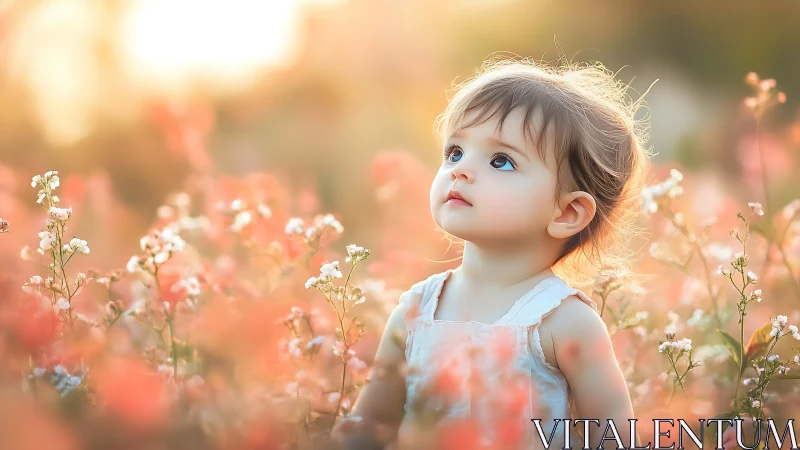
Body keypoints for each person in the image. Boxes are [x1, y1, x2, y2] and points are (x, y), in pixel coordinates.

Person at [333, 55, 652, 449]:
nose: (460, 170)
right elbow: (371, 425)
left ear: (568, 213)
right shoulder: (416, 310)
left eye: (501, 161)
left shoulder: (563, 321)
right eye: (454, 152)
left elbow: (613, 438)